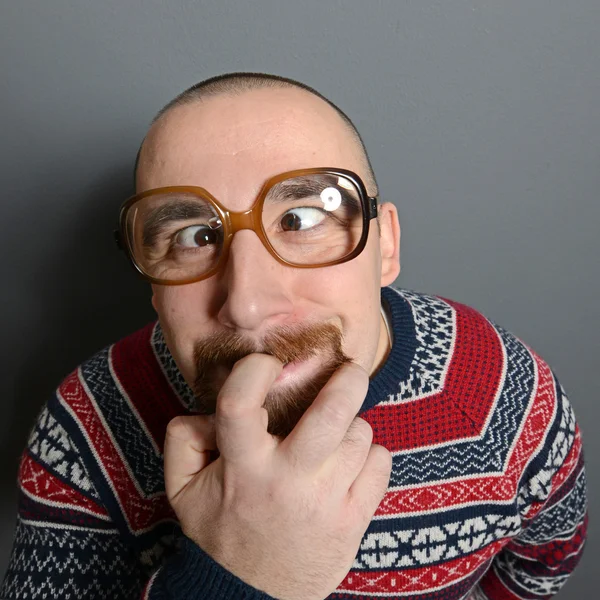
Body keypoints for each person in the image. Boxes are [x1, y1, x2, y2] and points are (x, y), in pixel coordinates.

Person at [1, 72, 587, 600]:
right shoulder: (88, 426)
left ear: (385, 247)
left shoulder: (505, 390)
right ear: (155, 288)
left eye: (302, 219)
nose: (248, 306)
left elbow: (539, 571)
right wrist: (234, 578)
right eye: (194, 237)